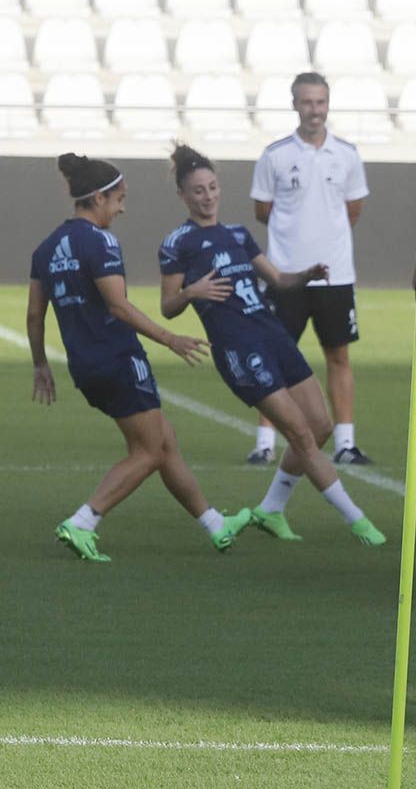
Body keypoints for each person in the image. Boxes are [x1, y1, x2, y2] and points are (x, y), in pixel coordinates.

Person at [28, 153, 252, 561]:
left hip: (85, 366)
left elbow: (33, 314)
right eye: (118, 199)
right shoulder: (101, 241)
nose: (122, 208)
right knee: (148, 452)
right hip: (118, 360)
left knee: (164, 442)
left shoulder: (45, 249)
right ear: (97, 199)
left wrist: (41, 364)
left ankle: (216, 525)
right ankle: (83, 521)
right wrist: (170, 338)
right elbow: (119, 306)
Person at [159, 144, 385, 547]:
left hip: (273, 334)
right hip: (239, 349)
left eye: (212, 187)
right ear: (181, 196)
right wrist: (193, 291)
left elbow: (278, 280)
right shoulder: (178, 243)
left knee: (320, 427)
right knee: (299, 432)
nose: (208, 196)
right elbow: (168, 305)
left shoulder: (237, 234)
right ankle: (359, 522)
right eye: (198, 191)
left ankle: (271, 509)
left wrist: (308, 274)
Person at [249, 71, 371, 465]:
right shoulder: (275, 155)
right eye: (307, 102)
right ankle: (264, 443)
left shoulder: (347, 154)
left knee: (339, 356)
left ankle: (345, 443)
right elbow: (262, 211)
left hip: (335, 274)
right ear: (294, 104)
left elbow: (352, 210)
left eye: (320, 102)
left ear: (328, 104)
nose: (314, 110)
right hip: (285, 275)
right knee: (273, 358)